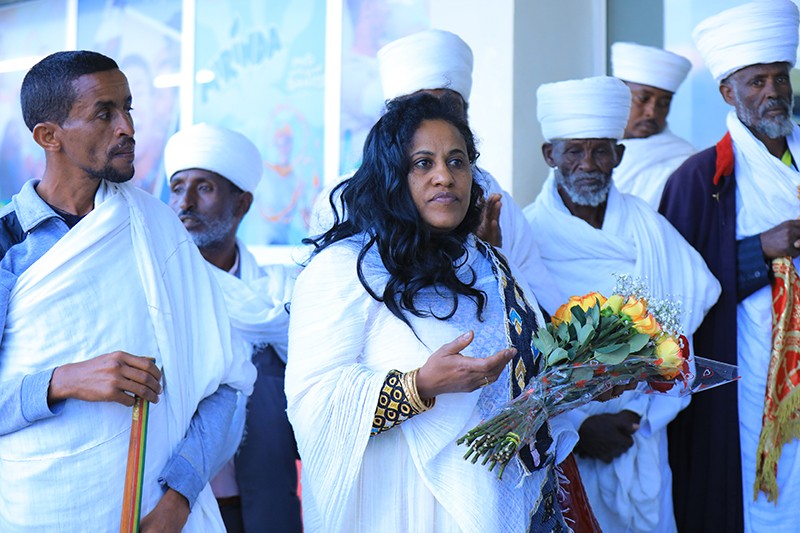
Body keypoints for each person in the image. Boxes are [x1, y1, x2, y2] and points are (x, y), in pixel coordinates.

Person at [286, 93, 581, 532]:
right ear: (390, 175)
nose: (444, 177)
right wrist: (419, 385)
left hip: (504, 503)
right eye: (423, 163)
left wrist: (588, 377)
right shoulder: (344, 270)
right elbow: (312, 405)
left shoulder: (491, 264)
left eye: (457, 162)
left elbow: (529, 374)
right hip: (400, 510)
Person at [0, 51, 256, 531]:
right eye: (104, 114)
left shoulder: (160, 230)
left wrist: (179, 498)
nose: (128, 128)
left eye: (128, 108)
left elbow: (226, 383)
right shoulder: (8, 244)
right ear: (48, 136)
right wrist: (61, 381)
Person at [523, 76, 720, 533]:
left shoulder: (649, 228)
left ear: (620, 155)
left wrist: (639, 416)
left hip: (640, 434)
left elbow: (684, 320)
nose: (588, 165)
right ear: (550, 155)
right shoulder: (528, 235)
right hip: (565, 445)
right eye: (574, 151)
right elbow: (522, 351)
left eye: (601, 151)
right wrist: (576, 429)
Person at [660, 2, 800, 531]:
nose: (773, 92)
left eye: (780, 77)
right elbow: (677, 294)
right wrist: (758, 249)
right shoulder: (699, 179)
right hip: (743, 376)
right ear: (727, 92)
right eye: (756, 81)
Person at [308, 28, 564, 315]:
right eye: (420, 106)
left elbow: (546, 313)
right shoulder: (341, 199)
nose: (443, 178)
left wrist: (491, 260)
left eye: (448, 107)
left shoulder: (492, 196)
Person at [165, 123, 302, 532]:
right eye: (176, 188)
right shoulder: (158, 295)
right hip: (172, 512)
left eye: (204, 187)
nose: (185, 203)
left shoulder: (279, 300)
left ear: (241, 204)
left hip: (265, 509)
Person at [609, 42, 694, 209]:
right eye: (642, 99)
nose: (652, 112)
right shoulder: (584, 149)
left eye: (664, 103)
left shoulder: (684, 163)